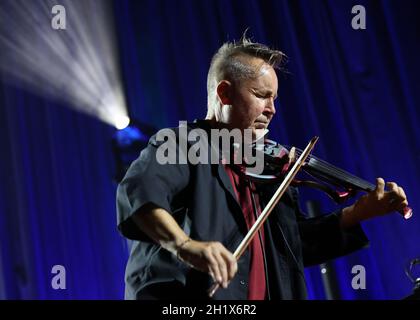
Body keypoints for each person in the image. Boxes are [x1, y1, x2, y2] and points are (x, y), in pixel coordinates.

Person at [116, 35, 409, 300]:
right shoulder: (182, 144)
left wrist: (359, 213)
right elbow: (139, 195)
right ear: (225, 94)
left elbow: (292, 245)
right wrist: (185, 246)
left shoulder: (264, 165)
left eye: (274, 98)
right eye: (261, 95)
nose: (272, 109)